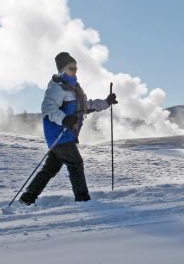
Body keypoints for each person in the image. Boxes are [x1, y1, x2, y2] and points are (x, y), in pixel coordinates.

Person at [19, 52, 117, 205]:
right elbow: (48, 108)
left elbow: (86, 106)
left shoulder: (74, 88)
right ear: (62, 69)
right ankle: (83, 200)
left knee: (50, 169)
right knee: (75, 163)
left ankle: (27, 199)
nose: (75, 71)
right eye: (72, 68)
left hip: (67, 135)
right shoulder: (57, 88)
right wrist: (63, 119)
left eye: (76, 68)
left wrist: (105, 102)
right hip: (59, 134)